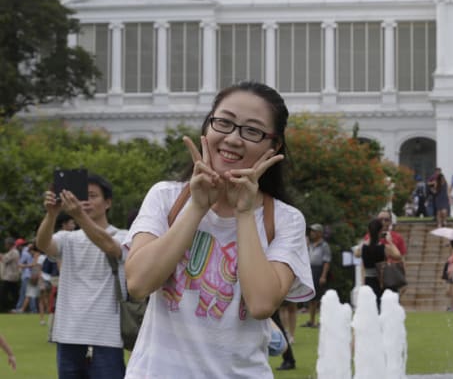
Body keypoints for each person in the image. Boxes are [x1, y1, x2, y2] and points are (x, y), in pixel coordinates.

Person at [123, 81, 315, 377]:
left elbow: (262, 303)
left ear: (273, 146)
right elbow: (138, 283)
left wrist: (245, 212)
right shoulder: (165, 197)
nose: (233, 139)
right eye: (224, 123)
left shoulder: (286, 219)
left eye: (252, 130)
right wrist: (197, 207)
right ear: (208, 128)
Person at [36, 172, 129, 378]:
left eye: (93, 196)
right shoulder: (67, 238)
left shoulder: (123, 236)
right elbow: (43, 244)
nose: (85, 201)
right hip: (68, 334)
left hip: (107, 336)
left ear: (108, 203)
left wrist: (79, 215)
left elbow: (110, 247)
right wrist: (51, 214)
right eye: (82, 195)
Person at [355, 217, 402, 306]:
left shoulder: (363, 248)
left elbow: (356, 253)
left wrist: (366, 239)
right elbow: (398, 255)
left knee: (371, 307)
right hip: (381, 280)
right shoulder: (384, 248)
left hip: (368, 280)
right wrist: (390, 242)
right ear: (380, 231)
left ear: (368, 231)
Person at [304, 223, 331, 329]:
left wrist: (323, 276)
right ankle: (311, 321)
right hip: (310, 270)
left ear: (320, 233)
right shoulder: (310, 244)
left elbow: (327, 261)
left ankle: (320, 320)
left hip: (319, 271)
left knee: (318, 298)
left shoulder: (324, 245)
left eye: (314, 231)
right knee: (311, 298)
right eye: (311, 231)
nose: (311, 233)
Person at [0, 238, 21, 312]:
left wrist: (1, 256)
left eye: (6, 244)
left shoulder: (13, 252)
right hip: (12, 276)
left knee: (3, 293)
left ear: (9, 244)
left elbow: (4, 259)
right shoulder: (13, 252)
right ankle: (14, 307)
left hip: (10, 276)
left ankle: (5, 308)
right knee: (14, 293)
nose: (5, 245)